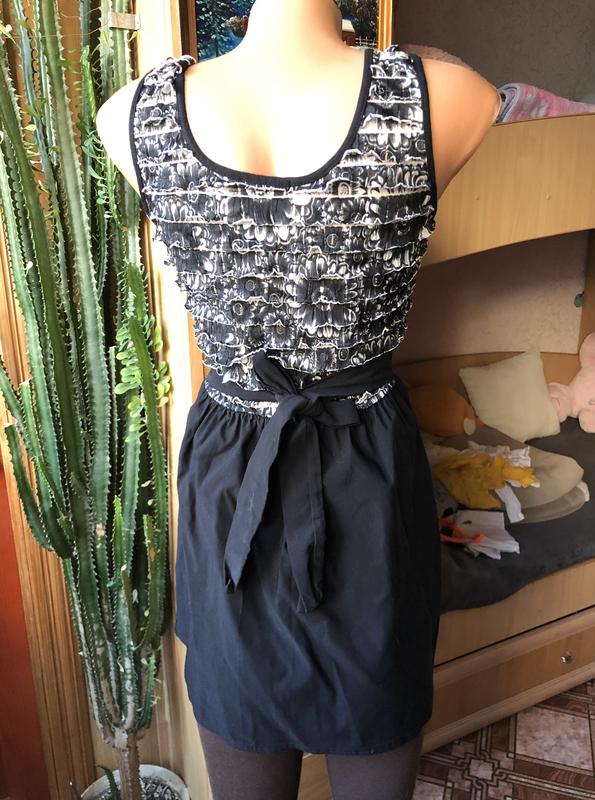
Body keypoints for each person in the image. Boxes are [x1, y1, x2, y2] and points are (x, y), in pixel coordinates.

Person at [97, 0, 500, 797]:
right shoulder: (134, 113)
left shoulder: (440, 97)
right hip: (266, 495)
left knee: (370, 732)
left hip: (333, 487)